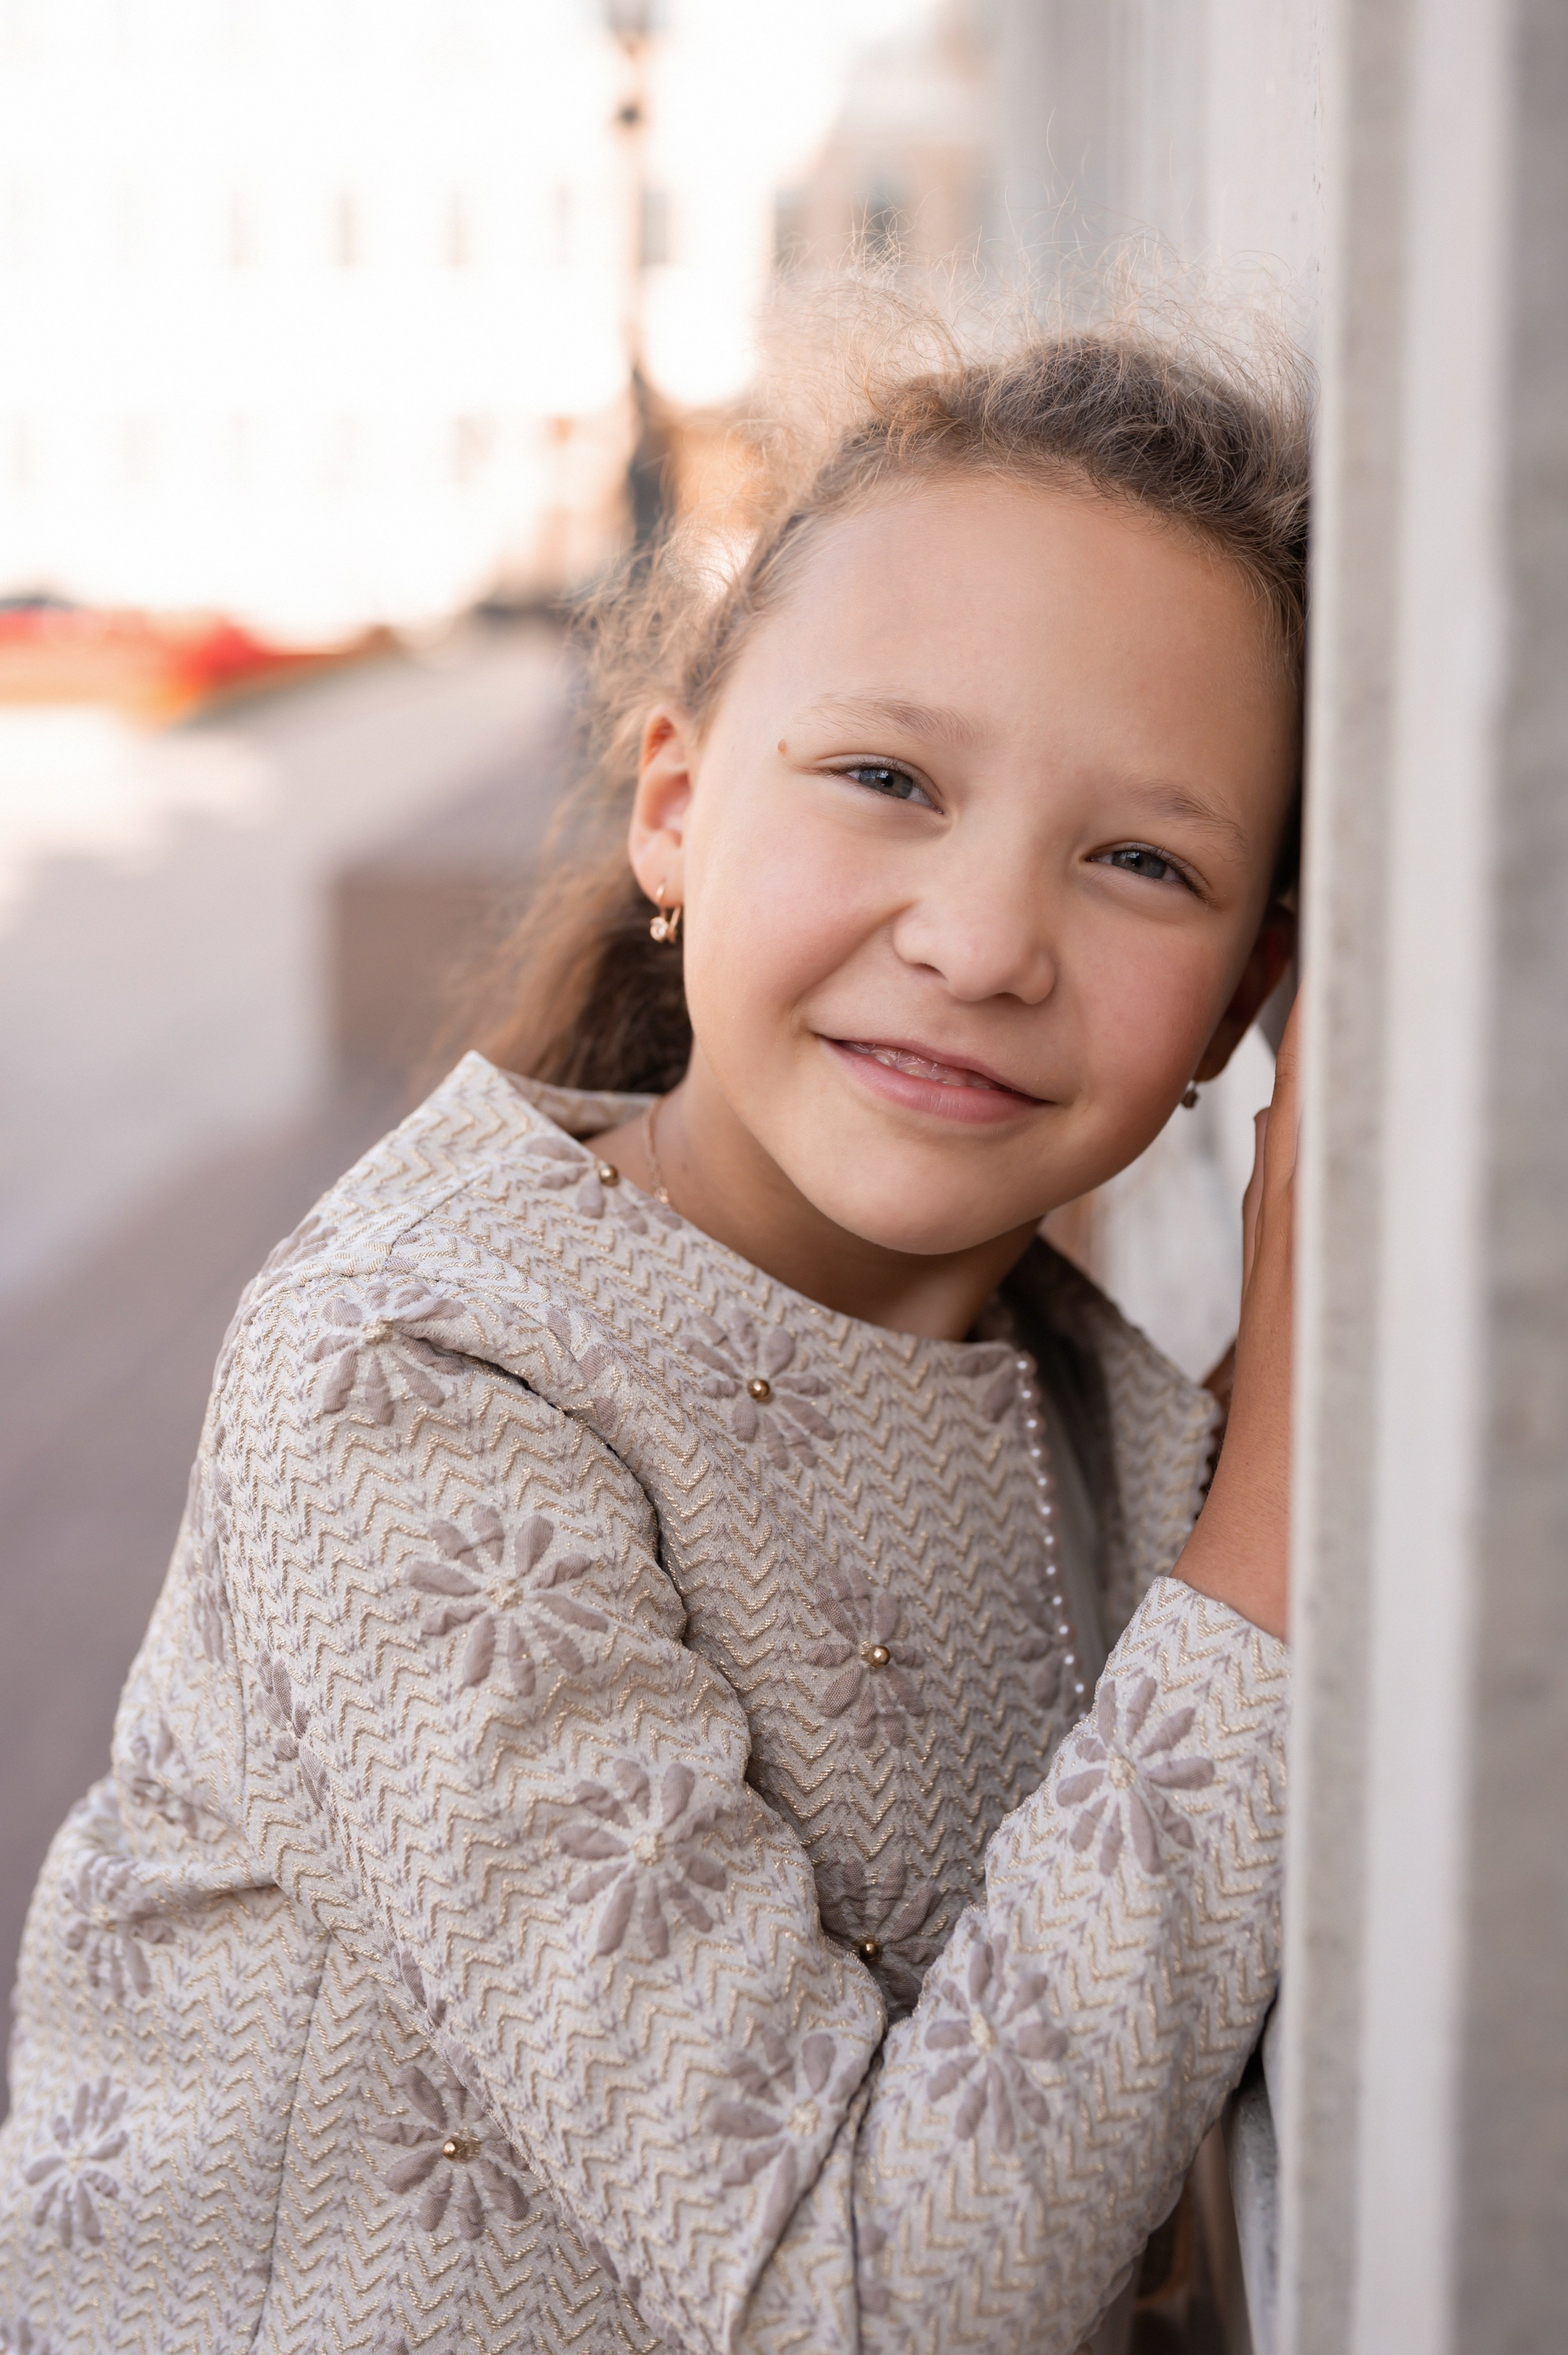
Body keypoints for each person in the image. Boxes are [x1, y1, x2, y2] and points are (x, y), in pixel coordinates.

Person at [0, 322, 1305, 2354]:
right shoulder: (419, 1381)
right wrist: (1289, 1519)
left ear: (1248, 1004)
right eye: (887, 779)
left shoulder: (1114, 1419)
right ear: (676, 810)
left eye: (1143, 858)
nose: (979, 941)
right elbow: (854, 2304)